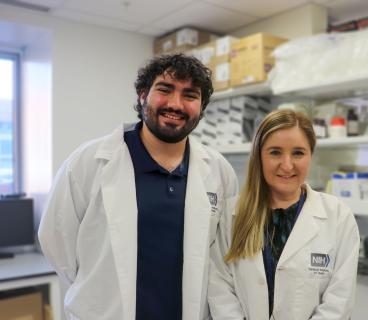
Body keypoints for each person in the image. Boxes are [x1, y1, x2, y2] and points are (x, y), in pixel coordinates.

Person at [38, 53, 238, 320]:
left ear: (201, 107)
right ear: (143, 95)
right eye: (165, 90)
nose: (175, 104)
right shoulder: (89, 162)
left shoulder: (219, 171)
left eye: (190, 95)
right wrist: (99, 290)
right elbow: (56, 239)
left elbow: (223, 254)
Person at [208, 109, 360, 320]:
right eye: (275, 152)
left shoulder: (339, 218)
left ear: (310, 156)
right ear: (259, 156)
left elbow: (338, 303)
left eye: (298, 153)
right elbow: (220, 290)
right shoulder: (229, 216)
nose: (287, 165)